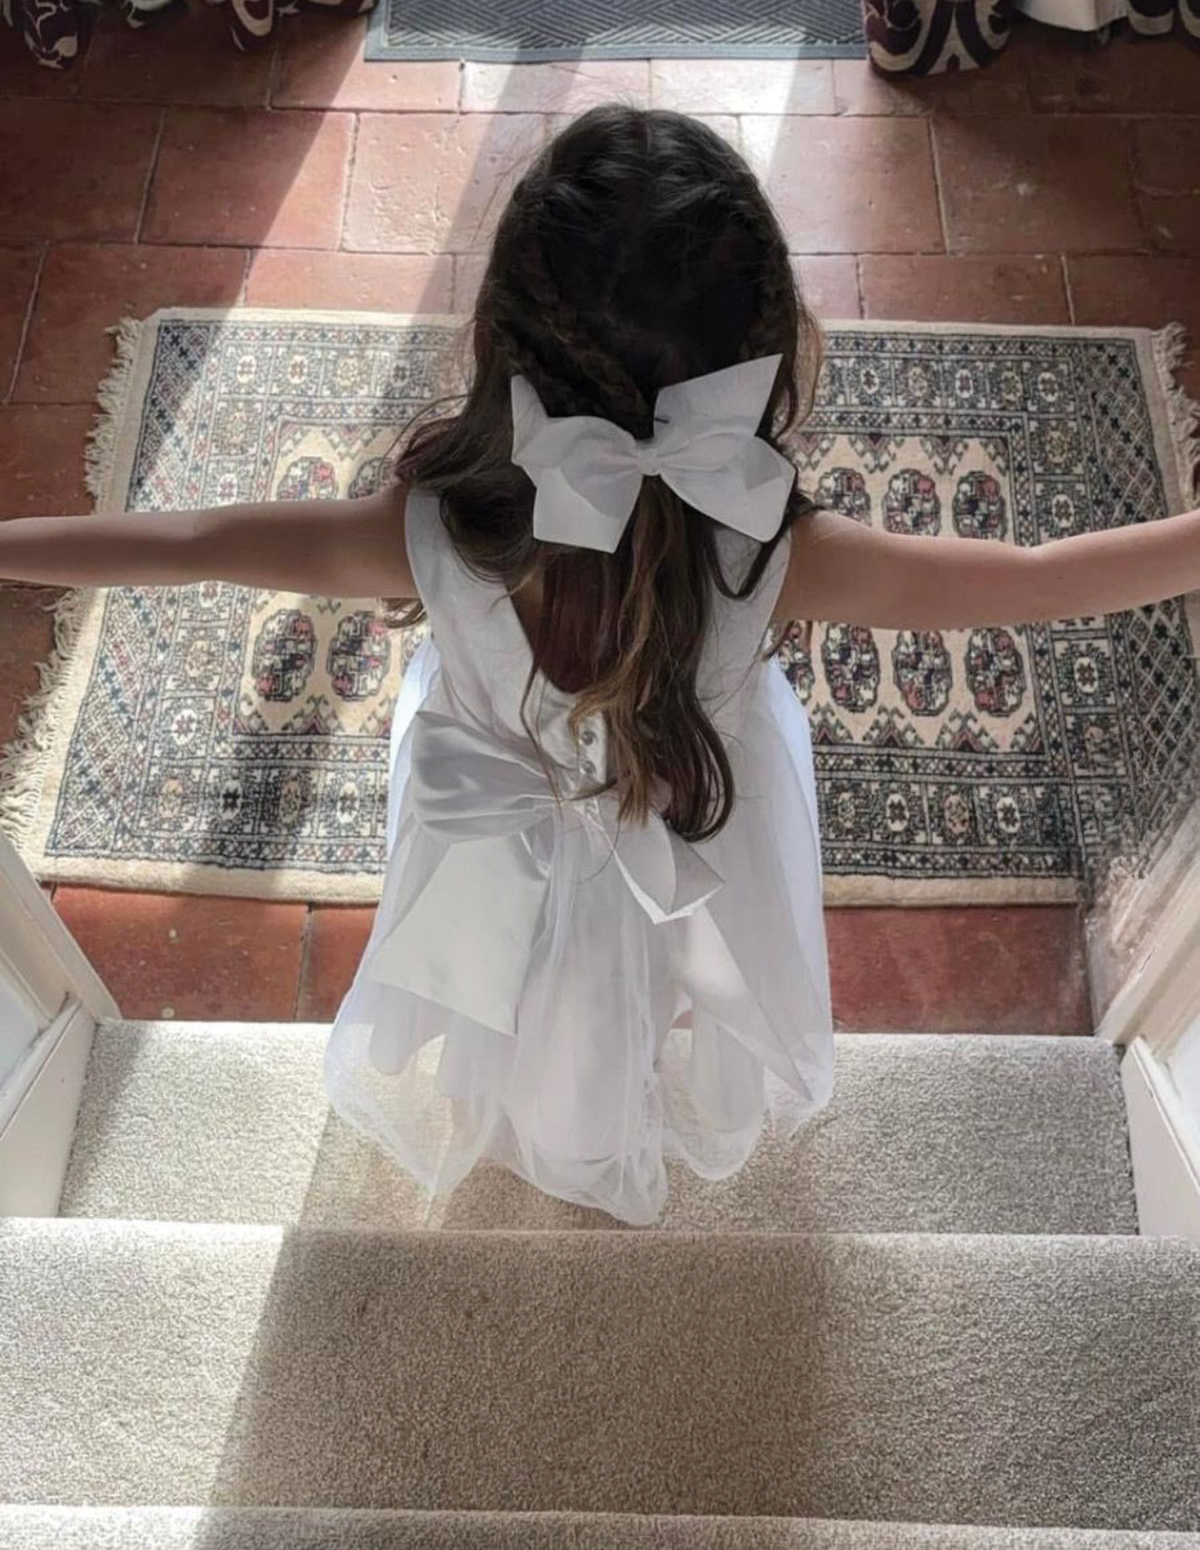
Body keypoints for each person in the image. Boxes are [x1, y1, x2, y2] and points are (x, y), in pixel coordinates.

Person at [1, 107, 1196, 1226]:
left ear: (501, 344)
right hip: (692, 829)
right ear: (759, 359)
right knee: (654, 976)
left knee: (522, 992)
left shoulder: (431, 533)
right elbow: (1037, 577)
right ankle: (615, 1111)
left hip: (487, 834)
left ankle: (550, 1134)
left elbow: (197, 545)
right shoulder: (774, 555)